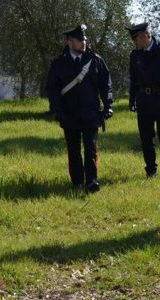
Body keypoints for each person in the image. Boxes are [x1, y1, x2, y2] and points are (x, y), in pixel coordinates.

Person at [46, 24, 113, 192]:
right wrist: (57, 111)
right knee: (74, 150)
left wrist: (108, 105)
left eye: (84, 40)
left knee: (91, 148)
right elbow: (52, 89)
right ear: (69, 42)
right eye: (79, 40)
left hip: (90, 113)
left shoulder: (95, 60)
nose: (83, 43)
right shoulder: (59, 63)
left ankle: (91, 181)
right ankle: (77, 182)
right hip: (69, 114)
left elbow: (106, 84)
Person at [127, 22, 160, 179]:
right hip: (144, 100)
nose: (134, 43)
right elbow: (133, 79)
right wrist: (132, 99)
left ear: (145, 35)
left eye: (135, 39)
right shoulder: (135, 55)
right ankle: (151, 171)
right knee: (146, 138)